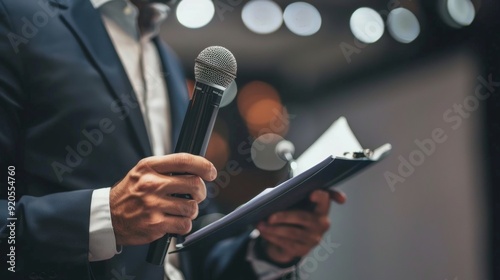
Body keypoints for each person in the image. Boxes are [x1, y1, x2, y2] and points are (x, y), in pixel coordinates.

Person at [0, 0, 345, 279]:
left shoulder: (164, 57)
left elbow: (188, 233)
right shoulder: (17, 18)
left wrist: (267, 252)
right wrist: (106, 217)